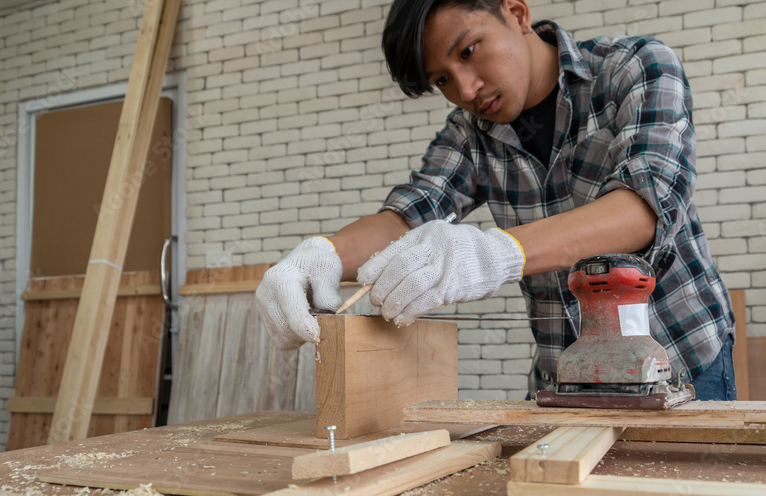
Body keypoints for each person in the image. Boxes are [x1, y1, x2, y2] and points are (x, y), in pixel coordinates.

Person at [257, 0, 736, 400]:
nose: (465, 90)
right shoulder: (470, 134)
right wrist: (321, 254)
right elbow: (407, 214)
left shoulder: (635, 68)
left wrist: (497, 252)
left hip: (680, 364)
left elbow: (643, 208)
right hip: (561, 378)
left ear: (517, 12)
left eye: (468, 50)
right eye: (442, 80)